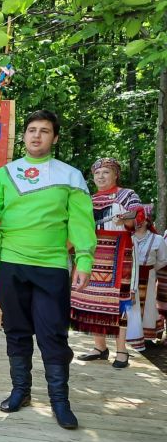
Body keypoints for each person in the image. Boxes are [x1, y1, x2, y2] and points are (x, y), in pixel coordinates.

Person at [0, 110, 96, 429]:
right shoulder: (4, 174)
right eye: (31, 130)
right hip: (10, 262)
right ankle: (20, 391)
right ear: (24, 136)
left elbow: (82, 222)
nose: (36, 135)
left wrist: (84, 259)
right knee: (15, 328)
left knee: (53, 332)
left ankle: (60, 401)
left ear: (54, 138)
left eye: (44, 131)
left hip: (51, 263)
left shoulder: (70, 175)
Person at [71, 157, 141, 368]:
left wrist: (126, 219)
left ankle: (122, 351)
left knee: (118, 301)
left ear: (115, 174)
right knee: (91, 298)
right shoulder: (88, 199)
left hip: (120, 253)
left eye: (106, 172)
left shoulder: (126, 195)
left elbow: (138, 217)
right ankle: (100, 347)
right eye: (97, 173)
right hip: (92, 253)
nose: (101, 176)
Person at [124, 206, 167, 356]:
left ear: (148, 221)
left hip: (148, 274)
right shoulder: (127, 237)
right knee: (131, 305)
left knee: (148, 306)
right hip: (129, 276)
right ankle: (129, 335)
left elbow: (162, 259)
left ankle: (147, 337)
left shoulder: (158, 239)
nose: (139, 223)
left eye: (142, 220)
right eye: (137, 221)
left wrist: (150, 269)